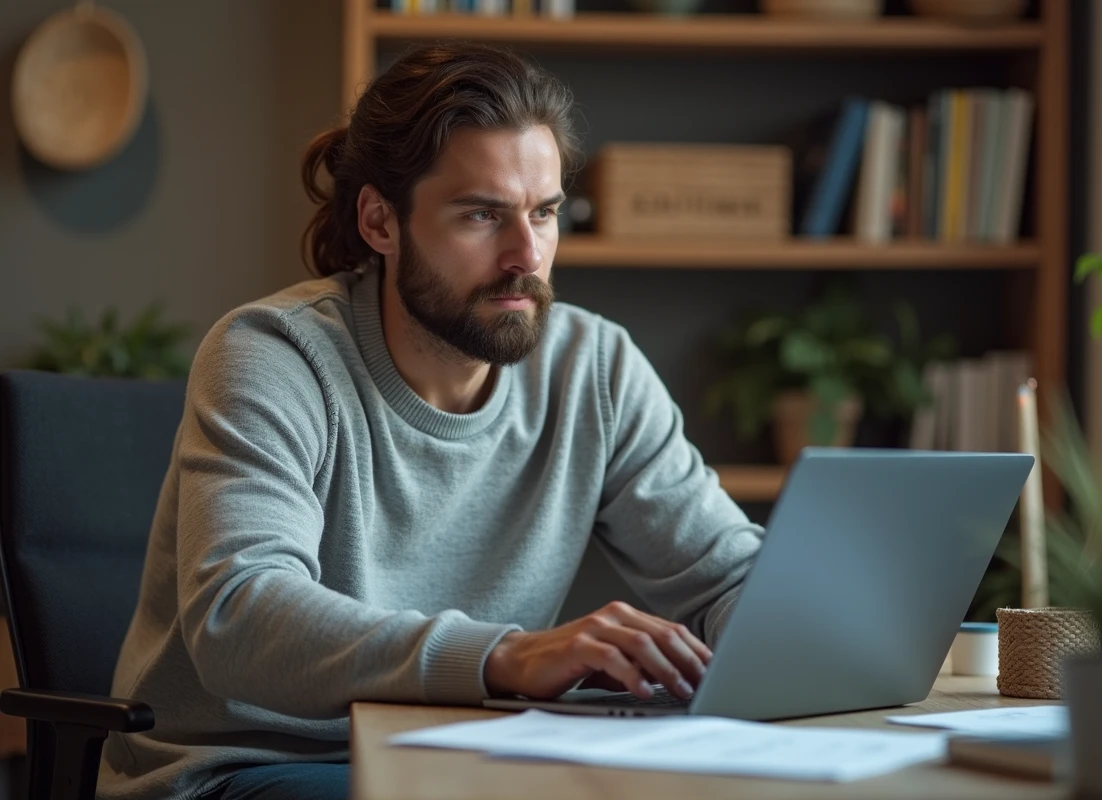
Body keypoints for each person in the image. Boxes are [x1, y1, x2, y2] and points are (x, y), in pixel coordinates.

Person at [97, 41, 764, 800]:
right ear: (381, 222)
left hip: (460, 758)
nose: (526, 255)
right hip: (247, 766)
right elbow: (238, 617)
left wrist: (795, 631)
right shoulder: (273, 355)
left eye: (544, 213)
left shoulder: (596, 368)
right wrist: (504, 657)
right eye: (483, 215)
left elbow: (728, 577)